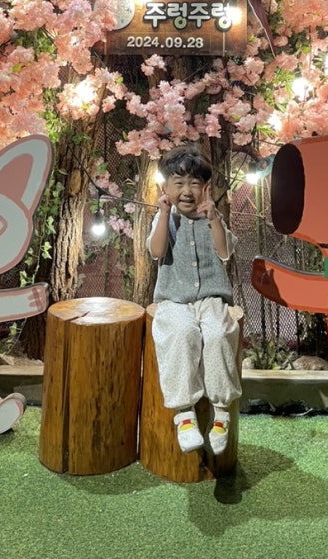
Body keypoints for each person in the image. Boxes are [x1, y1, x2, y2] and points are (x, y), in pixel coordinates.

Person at [147, 145, 242, 455]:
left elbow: (224, 252)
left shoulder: (212, 216)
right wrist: (163, 214)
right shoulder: (165, 217)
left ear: (205, 188)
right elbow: (157, 251)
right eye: (179, 183)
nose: (186, 191)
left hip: (212, 298)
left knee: (218, 334)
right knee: (181, 333)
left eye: (194, 183)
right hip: (174, 299)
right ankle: (185, 415)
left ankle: (221, 414)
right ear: (166, 187)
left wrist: (214, 219)